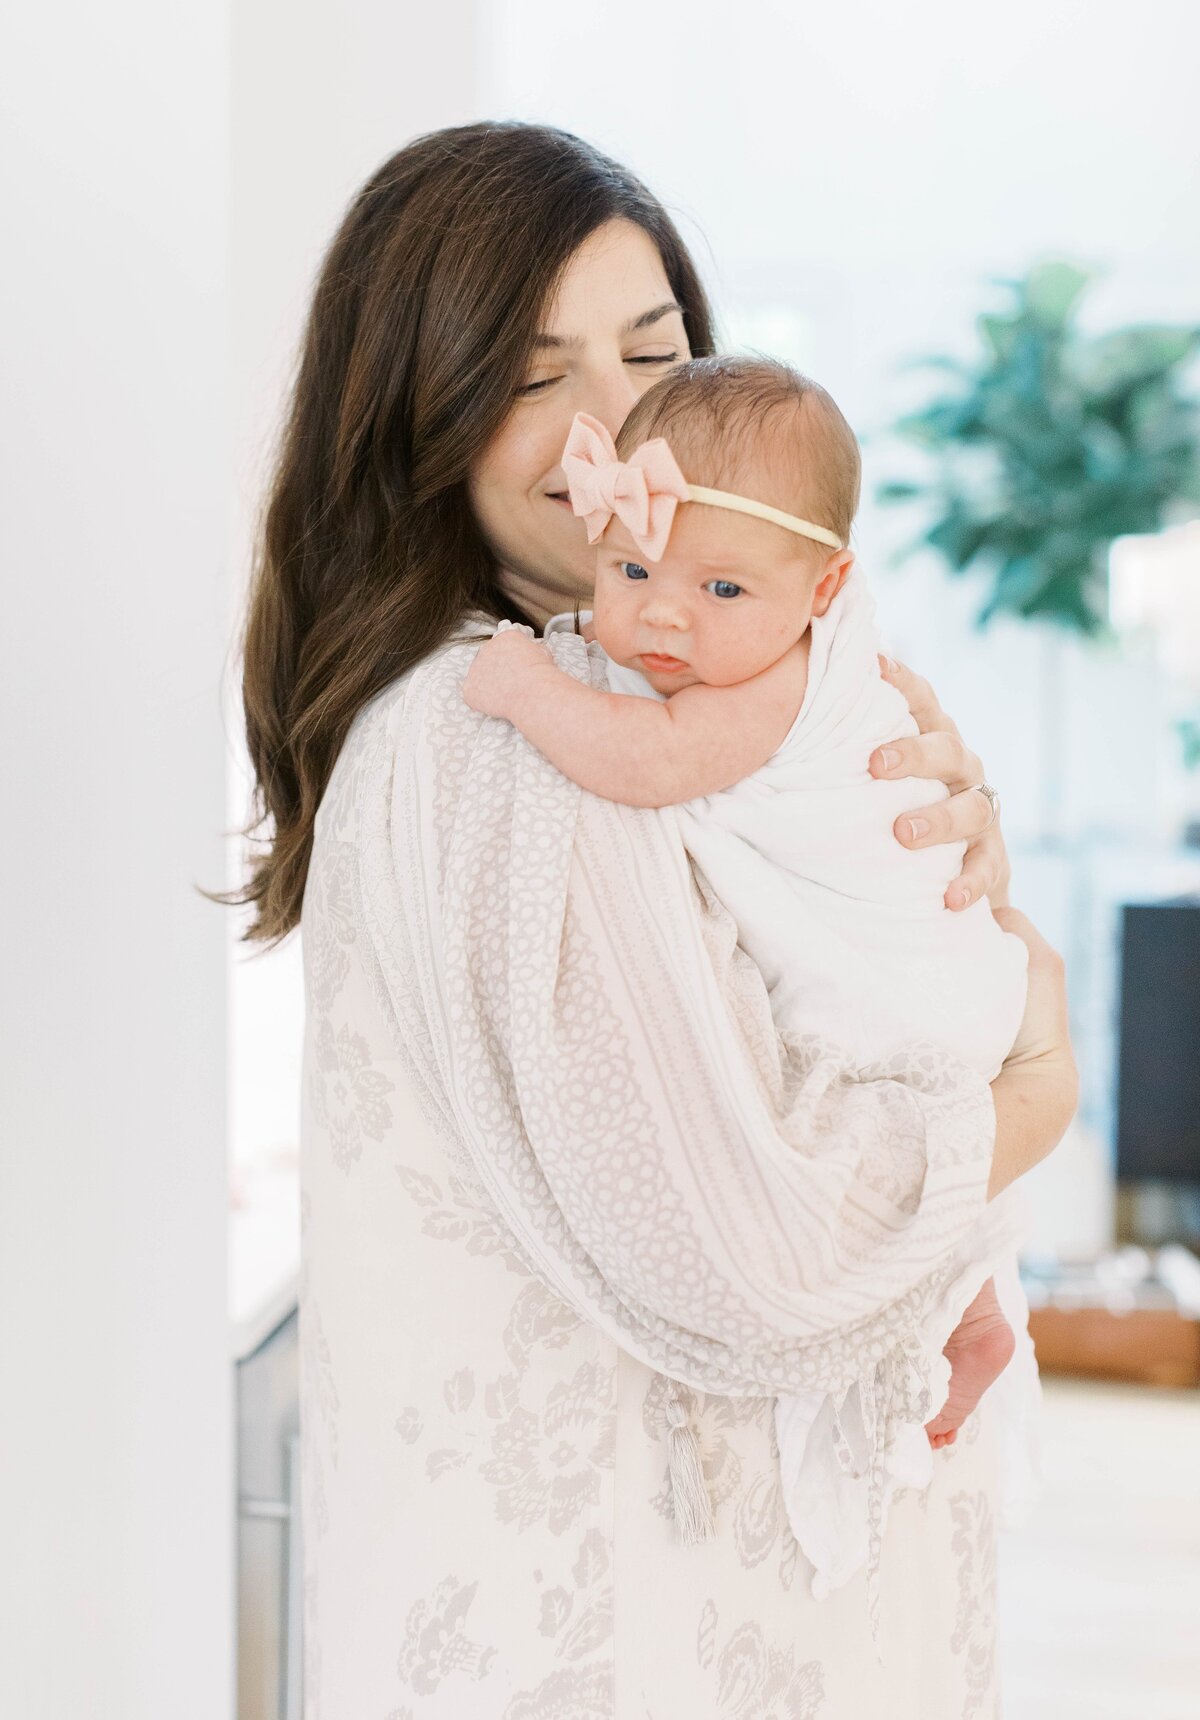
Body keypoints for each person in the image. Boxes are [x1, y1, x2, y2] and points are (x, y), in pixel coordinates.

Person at [229, 121, 1077, 1718]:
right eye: (532, 371)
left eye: (656, 349)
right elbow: (761, 1251)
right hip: (633, 1644)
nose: (618, 424)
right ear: (416, 408)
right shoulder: (510, 734)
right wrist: (1034, 1085)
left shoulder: (651, 692)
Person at [460, 355, 1034, 1599]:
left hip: (906, 984)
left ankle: (971, 1316)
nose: (663, 619)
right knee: (955, 1209)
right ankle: (976, 1312)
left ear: (825, 589)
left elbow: (647, 757)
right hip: (960, 991)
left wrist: (524, 685)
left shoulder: (769, 684)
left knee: (888, 1163)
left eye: (719, 586)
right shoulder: (751, 639)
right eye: (631, 572)